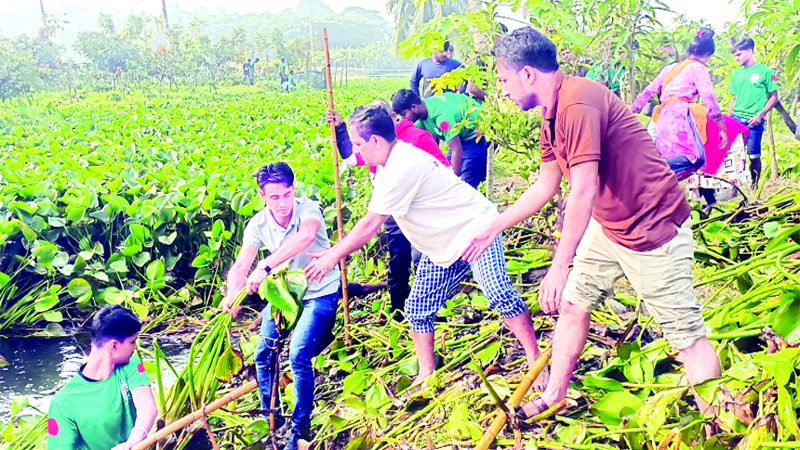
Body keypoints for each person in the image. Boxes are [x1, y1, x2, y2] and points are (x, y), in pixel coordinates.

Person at [462, 27, 721, 418]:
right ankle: (554, 396)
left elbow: (581, 190)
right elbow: (546, 184)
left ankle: (719, 427)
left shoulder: (577, 103)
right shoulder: (550, 113)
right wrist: (493, 227)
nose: (502, 89)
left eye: (503, 79)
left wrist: (558, 265)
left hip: (651, 228)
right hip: (609, 225)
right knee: (573, 304)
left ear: (527, 74)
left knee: (686, 338)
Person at [305, 105, 545, 390]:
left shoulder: (402, 166)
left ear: (376, 141)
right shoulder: (387, 164)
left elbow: (371, 224)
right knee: (417, 307)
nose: (358, 151)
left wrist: (333, 255)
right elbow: (367, 207)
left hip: (476, 229)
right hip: (443, 243)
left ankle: (535, 361)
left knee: (497, 292)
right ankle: (426, 373)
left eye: (359, 144)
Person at [220, 162, 340, 450]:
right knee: (263, 354)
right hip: (285, 296)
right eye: (275, 197)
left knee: (298, 355)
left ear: (293, 189)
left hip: (319, 291)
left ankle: (300, 430)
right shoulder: (258, 224)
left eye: (287, 194)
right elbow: (240, 266)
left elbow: (306, 237)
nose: (283, 203)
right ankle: (271, 418)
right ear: (262, 196)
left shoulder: (308, 208)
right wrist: (233, 294)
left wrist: (266, 265)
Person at [327, 99, 450, 319]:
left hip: (420, 211)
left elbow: (445, 169)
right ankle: (399, 309)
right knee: (398, 257)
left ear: (391, 118)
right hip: (392, 211)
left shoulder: (416, 138)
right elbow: (351, 158)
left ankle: (429, 309)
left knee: (423, 257)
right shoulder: (372, 146)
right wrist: (340, 127)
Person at [47, 305, 157, 450]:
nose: (136, 347)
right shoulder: (62, 404)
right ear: (114, 346)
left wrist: (132, 442)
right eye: (132, 342)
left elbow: (148, 406)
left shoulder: (132, 364)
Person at [632, 28, 727, 176]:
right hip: (678, 115)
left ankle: (655, 175)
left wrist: (633, 109)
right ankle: (647, 166)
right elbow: (709, 97)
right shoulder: (697, 67)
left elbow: (648, 91)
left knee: (675, 161)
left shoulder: (671, 68)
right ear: (707, 54)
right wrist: (721, 127)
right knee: (695, 159)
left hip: (663, 116)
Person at [392, 89, 491, 189]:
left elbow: (457, 149)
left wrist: (452, 183)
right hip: (459, 137)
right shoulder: (420, 118)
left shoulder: (441, 117)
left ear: (414, 107)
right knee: (444, 172)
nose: (404, 119)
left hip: (477, 133)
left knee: (464, 184)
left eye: (404, 114)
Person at [728, 37, 780, 188]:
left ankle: (754, 187)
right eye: (735, 55)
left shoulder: (766, 71)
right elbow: (734, 98)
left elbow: (774, 97)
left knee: (754, 155)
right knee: (735, 154)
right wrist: (728, 119)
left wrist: (760, 114)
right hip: (736, 119)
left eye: (739, 54)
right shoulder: (736, 74)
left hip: (754, 121)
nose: (736, 58)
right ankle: (735, 187)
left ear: (749, 51)